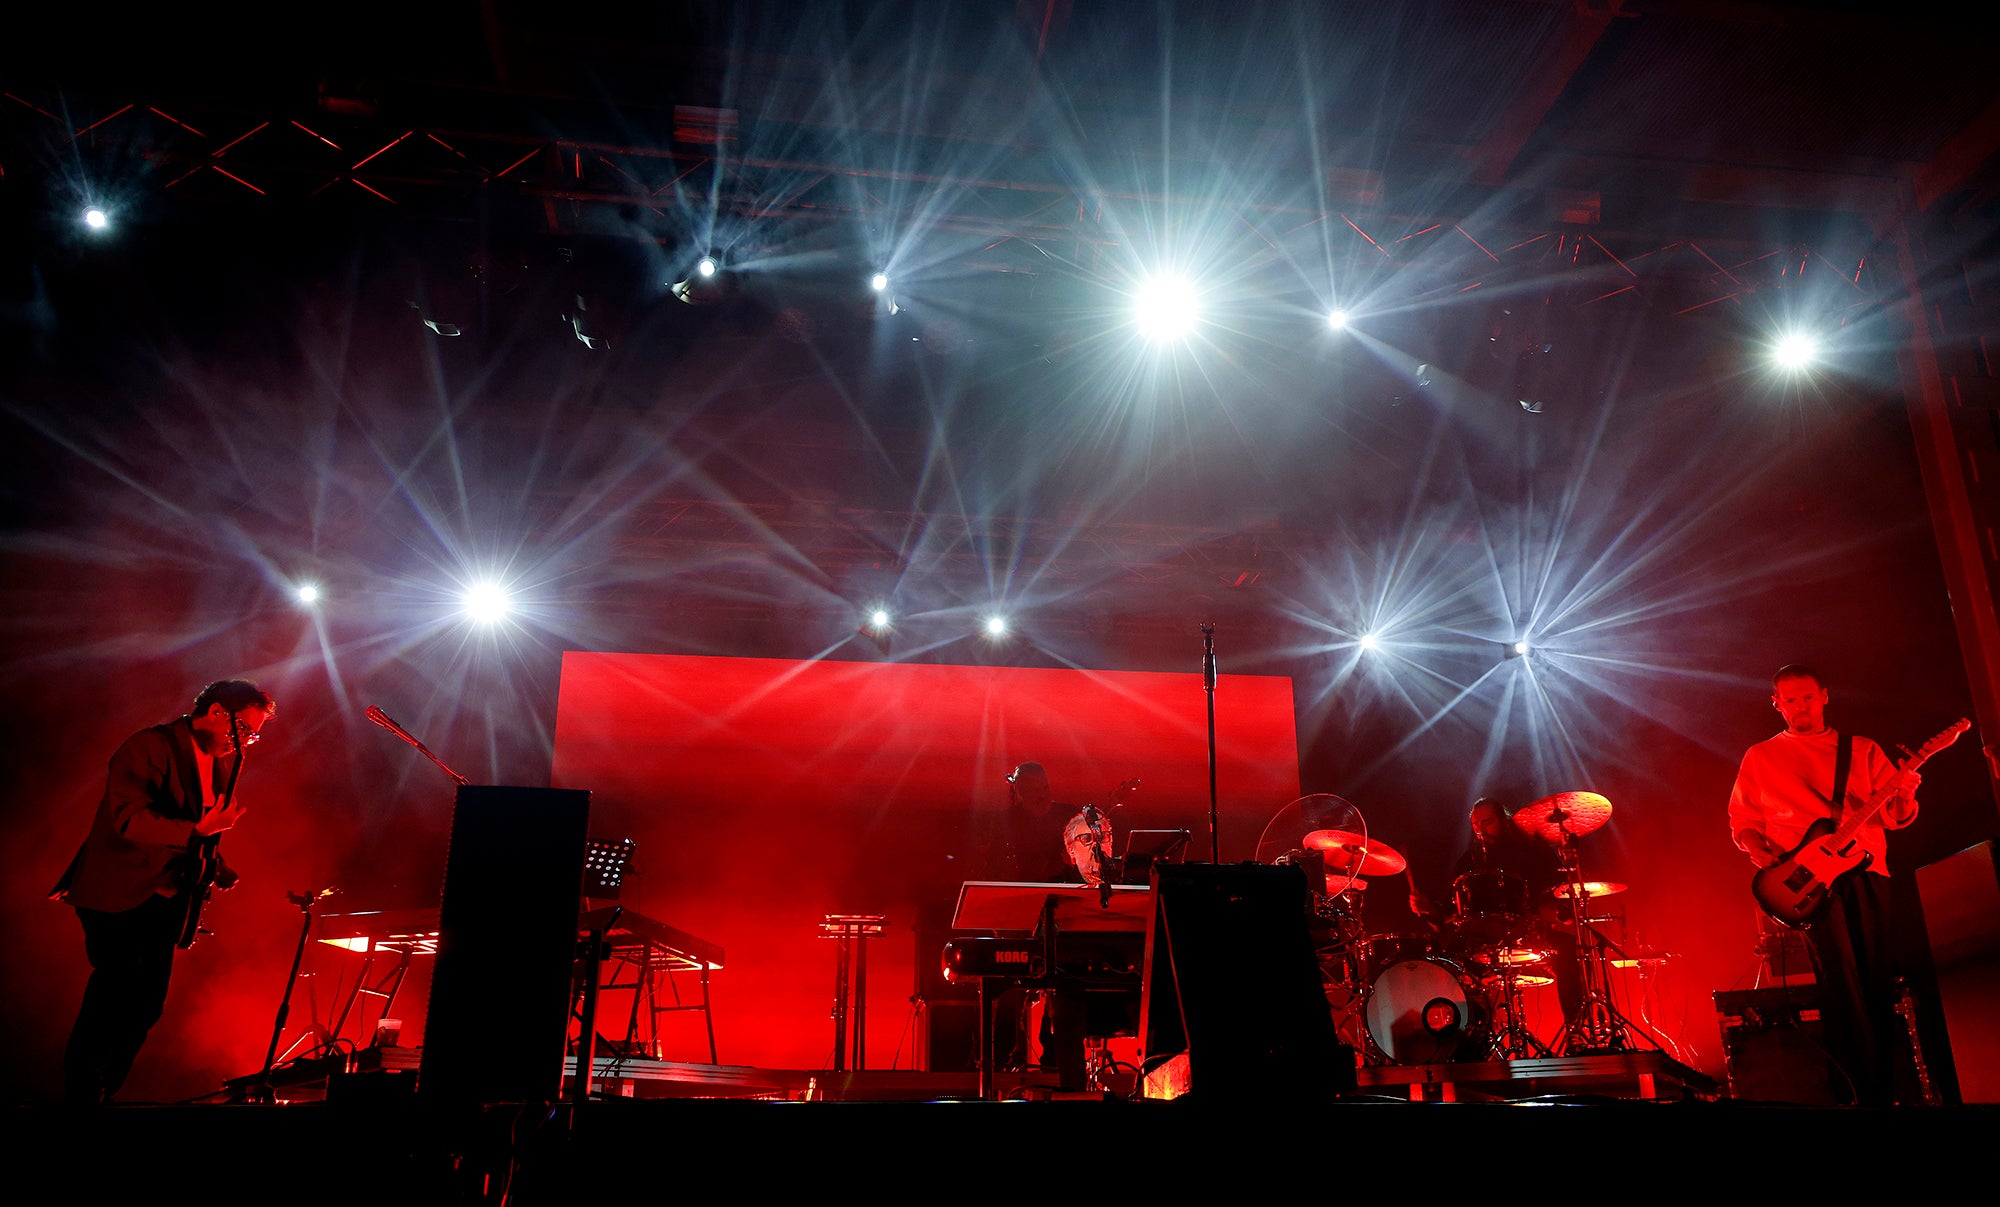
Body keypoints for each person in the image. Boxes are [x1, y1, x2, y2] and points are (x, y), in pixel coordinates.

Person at [49, 679, 276, 1104]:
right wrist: (197, 831)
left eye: (253, 735)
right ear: (215, 713)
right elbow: (130, 820)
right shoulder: (147, 747)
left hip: (164, 898)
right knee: (115, 986)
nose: (247, 742)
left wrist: (217, 864)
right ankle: (80, 1090)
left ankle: (101, 1090)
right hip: (118, 889)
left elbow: (199, 826)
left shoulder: (220, 764)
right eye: (243, 730)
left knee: (147, 1003)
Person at [1728, 664, 1920, 1107]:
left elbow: (1894, 815)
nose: (1800, 707)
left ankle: (1885, 1091)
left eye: (1807, 698)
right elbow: (1743, 820)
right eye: (1790, 700)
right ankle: (1853, 1091)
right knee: (1840, 983)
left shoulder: (1862, 749)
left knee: (1876, 980)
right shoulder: (1760, 756)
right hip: (1808, 881)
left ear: (1825, 697)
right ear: (1776, 704)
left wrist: (1907, 792)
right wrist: (1762, 853)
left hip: (1867, 872)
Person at [1411, 798, 1581, 1033]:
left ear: (1504, 822)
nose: (1480, 829)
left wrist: (1553, 910)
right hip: (1482, 942)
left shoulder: (1530, 853)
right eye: (1475, 824)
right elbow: (1453, 912)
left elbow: (1557, 895)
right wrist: (1431, 909)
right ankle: (1472, 1037)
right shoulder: (1467, 861)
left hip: (1529, 933)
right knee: (1447, 959)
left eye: (1487, 822)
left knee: (1569, 947)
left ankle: (1577, 1029)